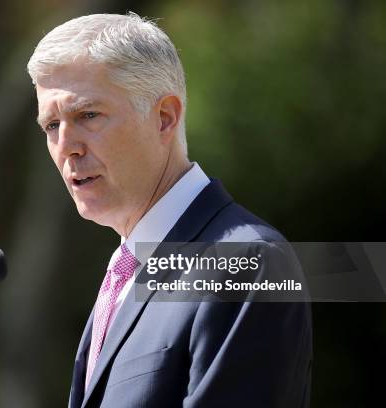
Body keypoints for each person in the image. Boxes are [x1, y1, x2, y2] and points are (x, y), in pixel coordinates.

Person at [27, 13, 312, 408]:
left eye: (87, 115)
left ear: (164, 117)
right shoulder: (125, 269)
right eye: (52, 125)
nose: (66, 146)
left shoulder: (247, 263)